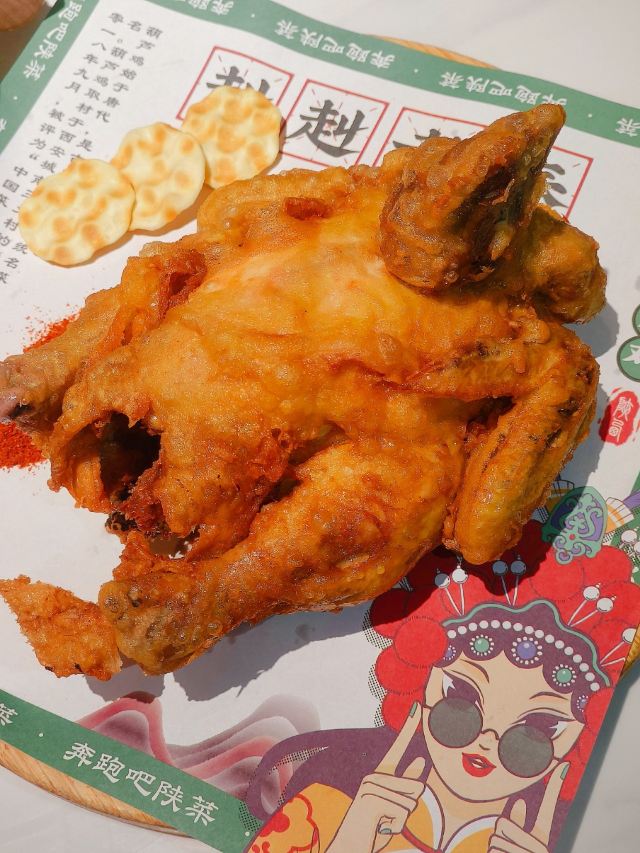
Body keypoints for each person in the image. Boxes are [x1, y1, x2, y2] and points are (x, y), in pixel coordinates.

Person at [244, 522, 639, 853]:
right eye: (461, 703)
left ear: (573, 744)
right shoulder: (324, 809)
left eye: (535, 732)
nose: (486, 742)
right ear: (423, 689)